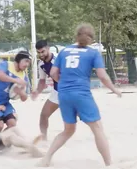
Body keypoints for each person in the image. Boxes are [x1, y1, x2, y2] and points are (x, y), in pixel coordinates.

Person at [37, 23, 121, 167]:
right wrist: (114, 89)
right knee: (97, 128)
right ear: (91, 39)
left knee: (68, 130)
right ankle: (109, 164)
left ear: (76, 36)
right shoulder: (93, 52)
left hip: (63, 94)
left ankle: (47, 158)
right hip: (81, 94)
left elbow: (53, 73)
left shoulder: (64, 51)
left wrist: (63, 85)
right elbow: (102, 76)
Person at [0, 51, 31, 133]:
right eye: (26, 61)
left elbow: (25, 98)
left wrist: (21, 92)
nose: (27, 64)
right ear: (19, 59)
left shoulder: (24, 77)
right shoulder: (7, 64)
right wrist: (15, 80)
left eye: (29, 62)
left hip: (5, 103)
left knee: (12, 125)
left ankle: (1, 141)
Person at [31, 40, 59, 141]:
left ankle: (97, 131)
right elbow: (42, 82)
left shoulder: (58, 59)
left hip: (70, 91)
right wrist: (37, 92)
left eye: (42, 51)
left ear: (48, 48)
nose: (40, 54)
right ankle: (44, 140)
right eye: (38, 52)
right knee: (43, 116)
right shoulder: (41, 64)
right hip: (57, 92)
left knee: (82, 115)